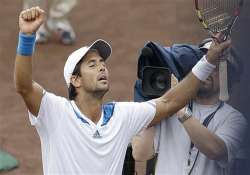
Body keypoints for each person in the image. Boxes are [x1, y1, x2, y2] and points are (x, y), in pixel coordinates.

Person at [14, 7, 230, 174]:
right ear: (75, 80)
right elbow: (24, 86)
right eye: (92, 64)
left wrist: (209, 61)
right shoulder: (55, 112)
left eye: (102, 62)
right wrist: (26, 37)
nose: (102, 67)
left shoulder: (121, 116)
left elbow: (169, 102)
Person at [132, 41, 247, 175]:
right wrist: (151, 105)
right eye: (203, 62)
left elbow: (216, 150)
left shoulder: (234, 119)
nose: (207, 69)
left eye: (214, 64)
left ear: (228, 77)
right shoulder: (168, 107)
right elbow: (140, 154)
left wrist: (179, 107)